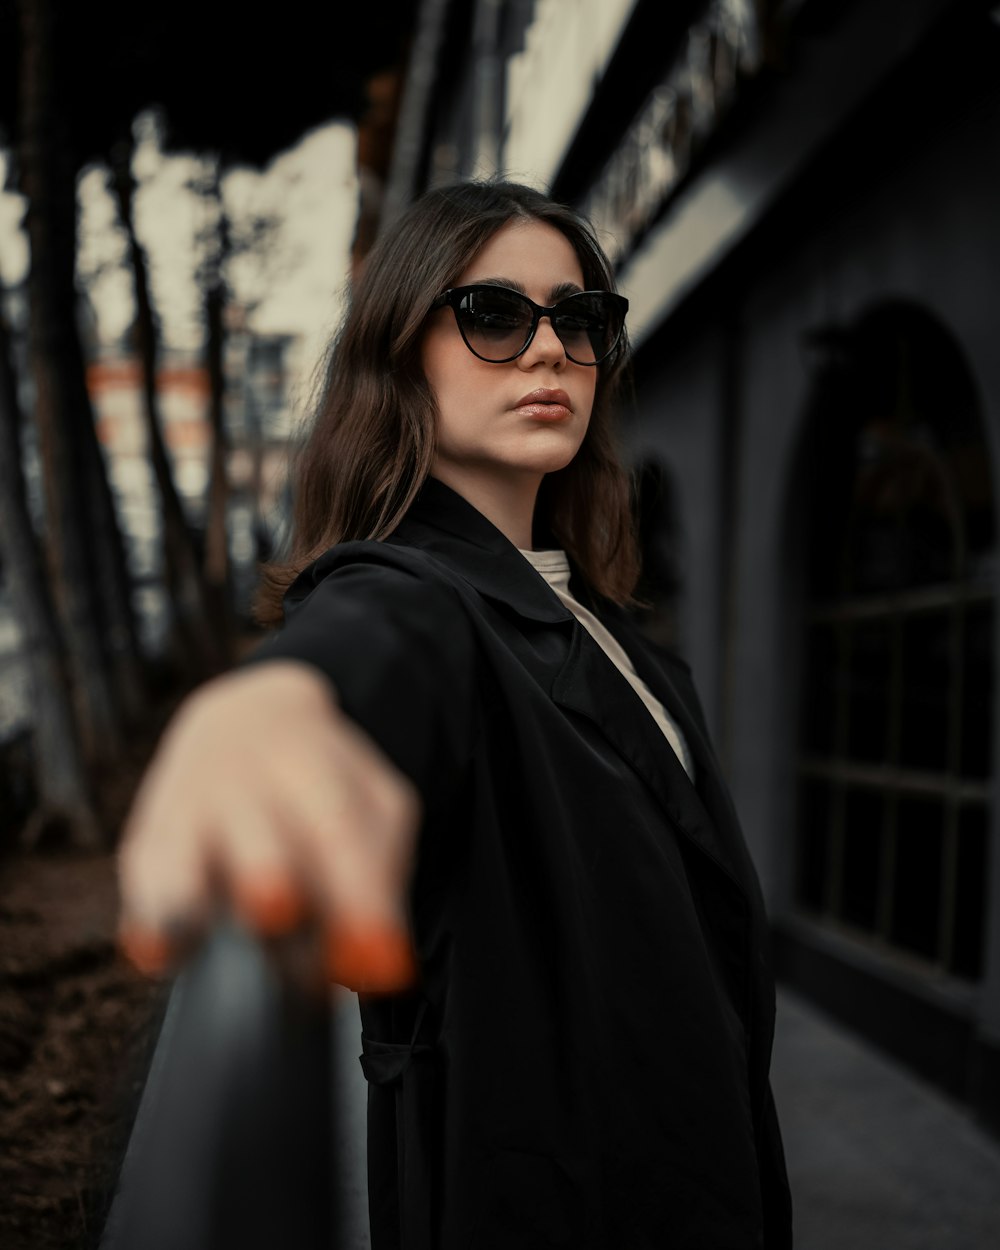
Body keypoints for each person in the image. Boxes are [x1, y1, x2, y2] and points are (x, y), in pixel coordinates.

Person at [117, 179, 793, 1249]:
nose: (548, 352)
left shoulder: (620, 637)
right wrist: (278, 709)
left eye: (579, 319)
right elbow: (368, 647)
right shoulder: (408, 596)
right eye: (492, 314)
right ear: (400, 352)